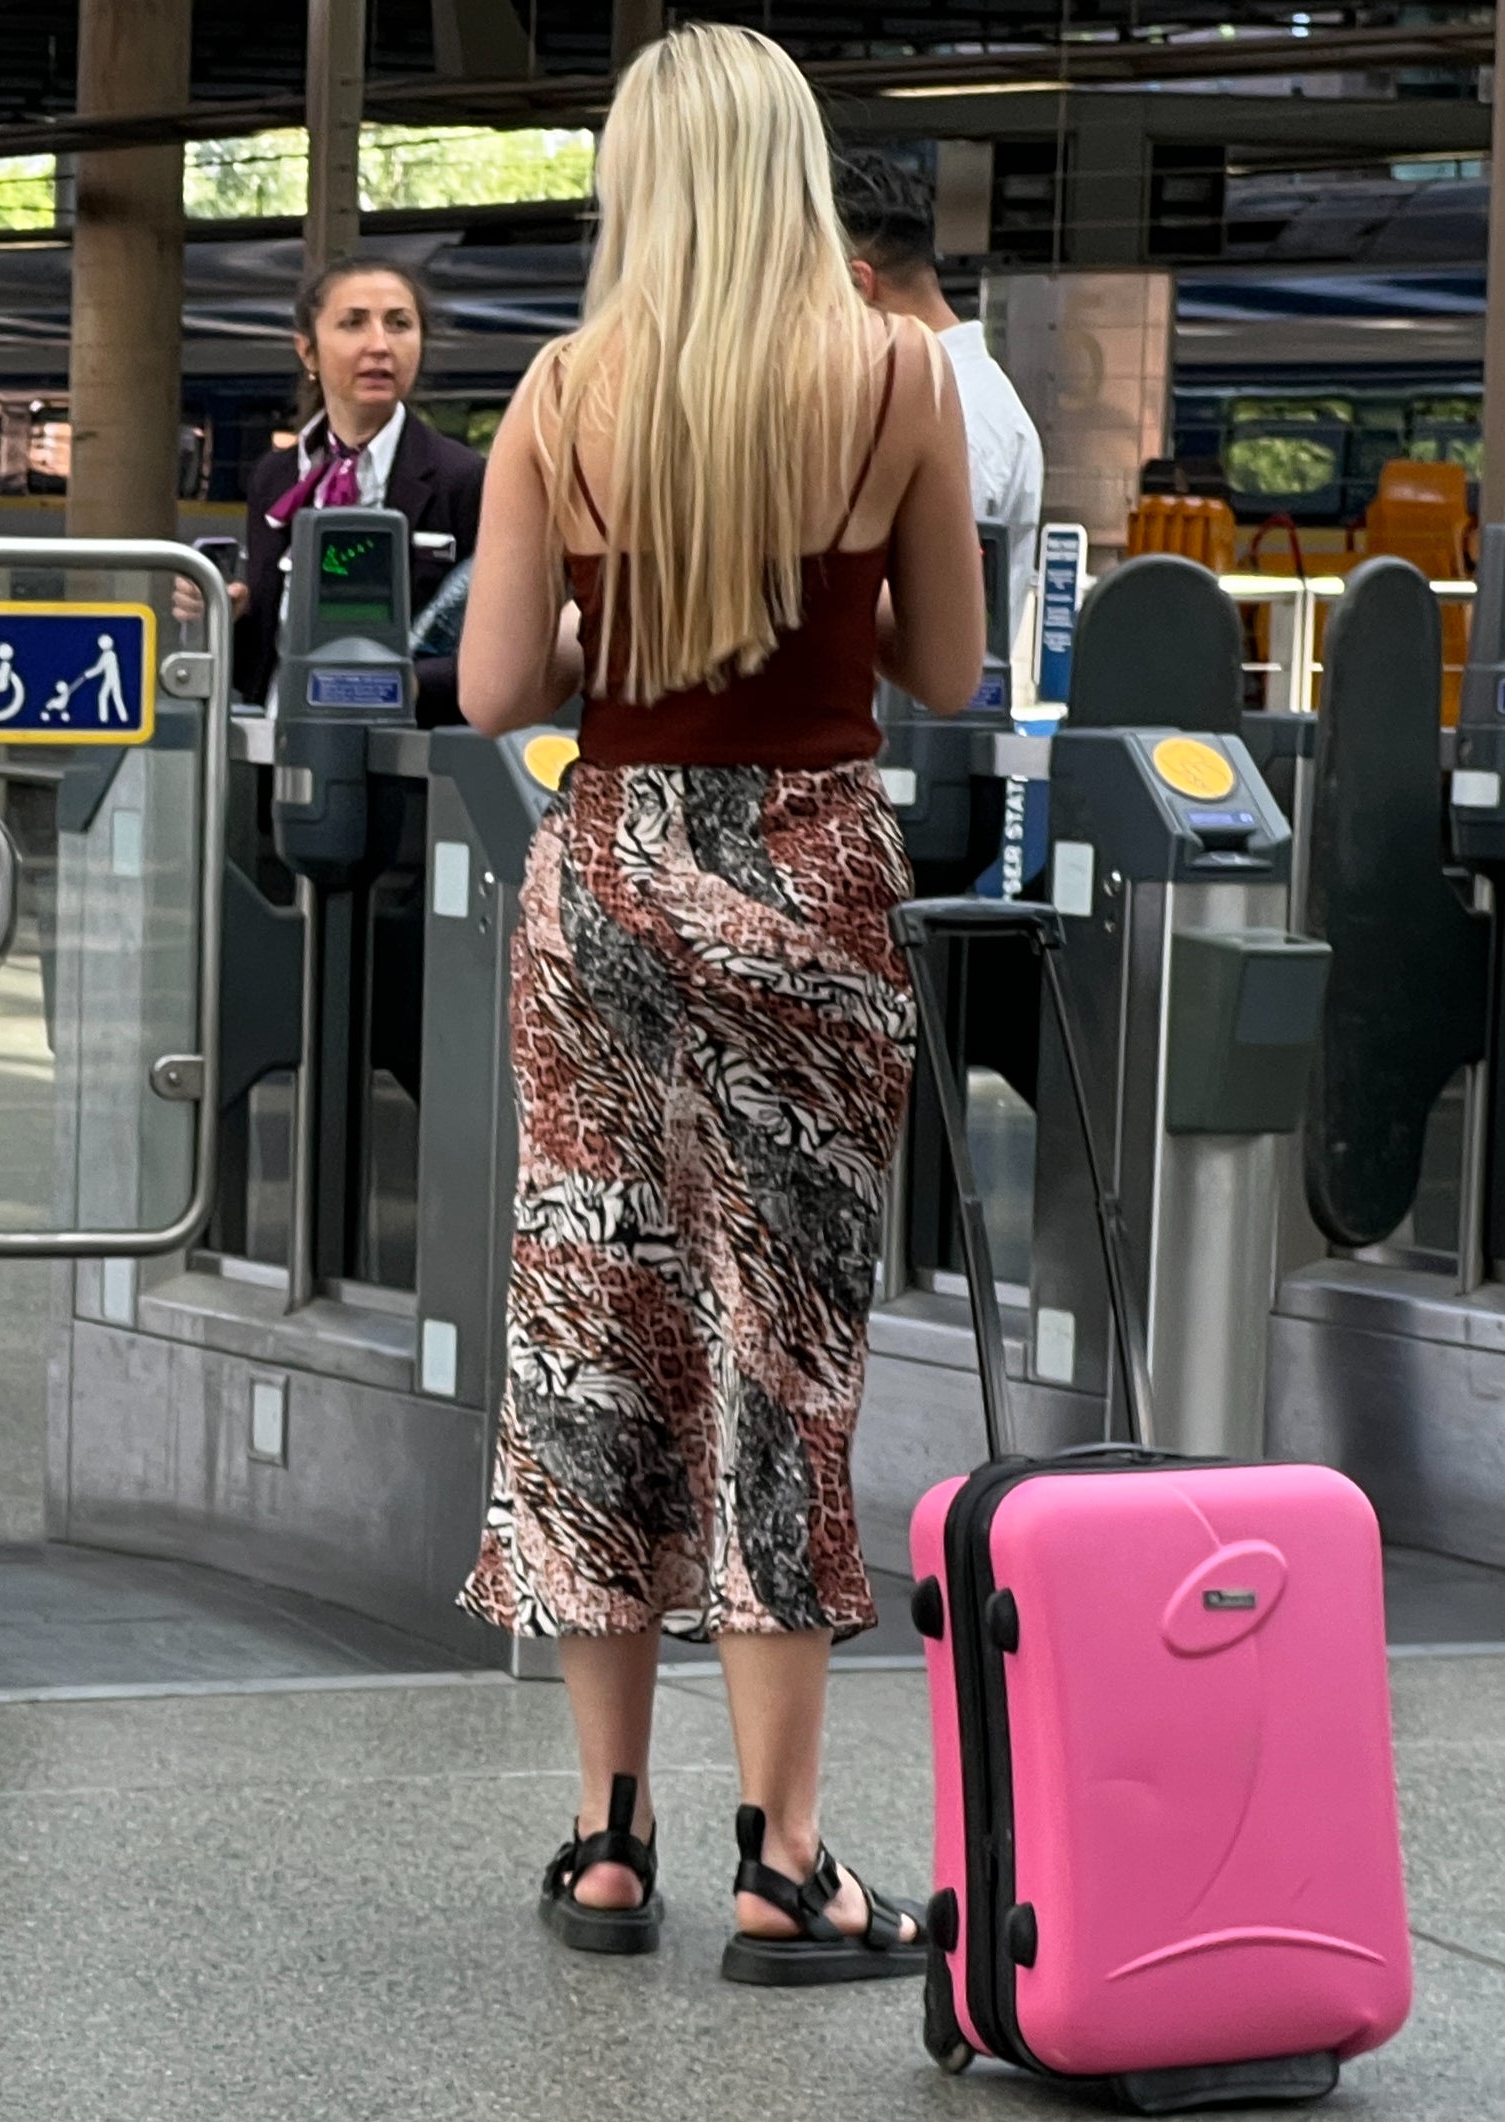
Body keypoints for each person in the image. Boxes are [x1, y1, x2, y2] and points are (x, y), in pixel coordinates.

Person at [453, 22, 984, 1982]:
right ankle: (789, 1859)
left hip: (603, 883)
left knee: (591, 1320)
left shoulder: (559, 393)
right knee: (782, 1352)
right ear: (788, 173)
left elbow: (496, 685)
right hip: (809, 877)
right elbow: (941, 662)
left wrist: (619, 608)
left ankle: (607, 1837)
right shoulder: (893, 377)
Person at [231, 258, 484, 716]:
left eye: (399, 324)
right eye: (353, 323)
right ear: (307, 351)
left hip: (402, 752)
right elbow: (260, 657)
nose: (380, 345)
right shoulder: (276, 478)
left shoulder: (462, 479)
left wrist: (408, 684)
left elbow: (503, 649)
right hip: (280, 743)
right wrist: (224, 616)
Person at [835, 148, 1044, 678]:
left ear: (861, 285)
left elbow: (930, 625)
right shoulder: (958, 396)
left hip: (911, 740)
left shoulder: (958, 416)